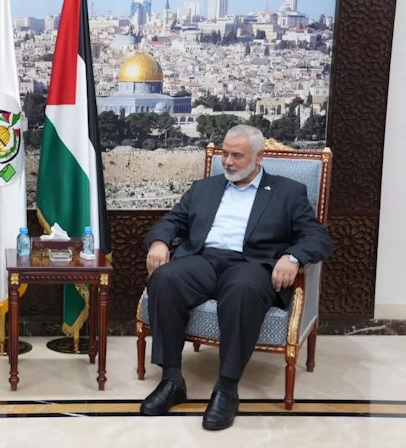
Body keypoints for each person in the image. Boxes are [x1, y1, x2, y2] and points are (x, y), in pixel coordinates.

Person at [140, 125, 333, 430]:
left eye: (236, 155)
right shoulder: (204, 188)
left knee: (243, 291)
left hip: (251, 265)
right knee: (165, 278)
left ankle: (227, 389)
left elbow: (318, 237)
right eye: (224, 153)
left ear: (259, 156)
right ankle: (172, 380)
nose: (227, 161)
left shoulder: (288, 191)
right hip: (203, 260)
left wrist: (292, 256)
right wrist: (160, 242)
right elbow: (172, 221)